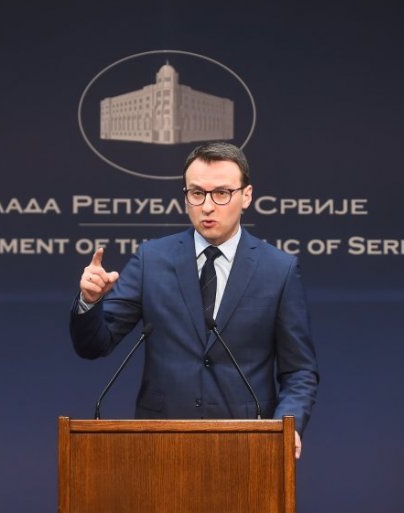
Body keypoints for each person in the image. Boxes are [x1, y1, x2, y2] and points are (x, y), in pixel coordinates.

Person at [70, 142, 318, 458]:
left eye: (222, 193)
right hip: (161, 445)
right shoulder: (151, 260)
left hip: (249, 448)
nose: (207, 206)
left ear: (246, 196)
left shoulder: (279, 269)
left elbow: (299, 371)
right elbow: (94, 345)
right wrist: (90, 301)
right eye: (197, 193)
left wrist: (287, 426)